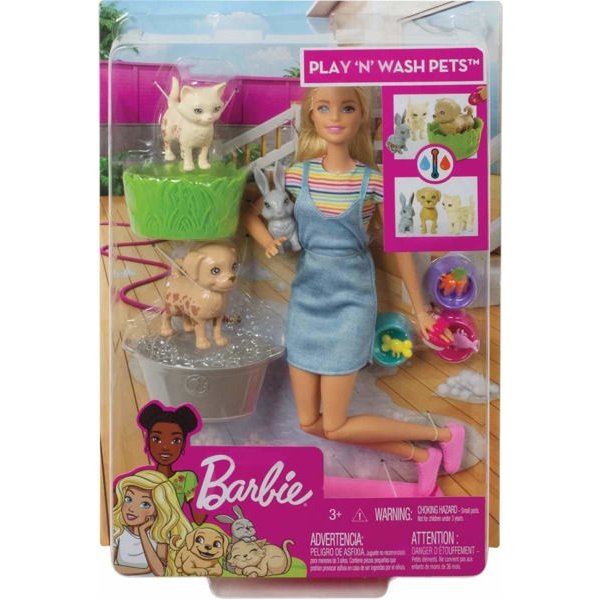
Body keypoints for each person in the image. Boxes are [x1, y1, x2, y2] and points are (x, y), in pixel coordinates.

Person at [243, 86, 465, 495]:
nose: (335, 117)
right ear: (311, 115)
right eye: (324, 107)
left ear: (361, 115)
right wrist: (268, 242)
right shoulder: (298, 175)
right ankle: (423, 454)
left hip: (351, 303)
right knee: (310, 422)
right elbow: (252, 213)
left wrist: (421, 310)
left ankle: (443, 435)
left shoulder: (373, 182)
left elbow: (399, 244)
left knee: (335, 423)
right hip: (307, 303)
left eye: (347, 108)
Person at [137, 401, 207, 525]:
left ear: (183, 444)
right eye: (156, 439)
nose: (165, 447)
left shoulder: (186, 478)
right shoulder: (142, 479)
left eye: (175, 440)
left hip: (176, 532)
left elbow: (199, 518)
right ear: (147, 441)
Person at [112, 470, 192, 575]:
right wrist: (145, 570)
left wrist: (142, 532)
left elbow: (160, 572)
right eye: (128, 499)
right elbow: (113, 568)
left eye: (145, 504)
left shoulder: (160, 534)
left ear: (159, 509)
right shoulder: (118, 531)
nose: (131, 508)